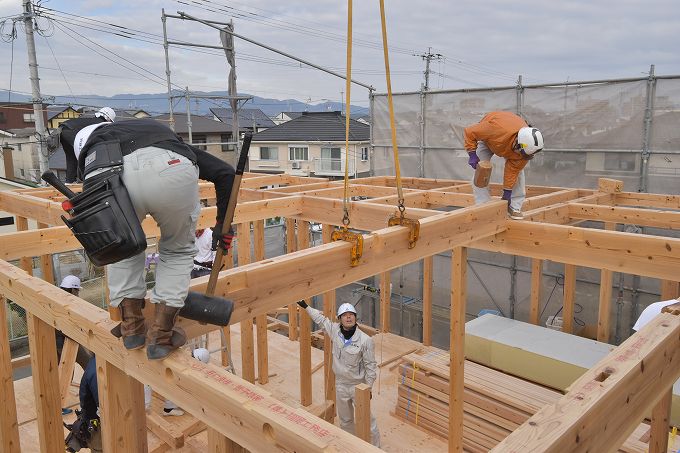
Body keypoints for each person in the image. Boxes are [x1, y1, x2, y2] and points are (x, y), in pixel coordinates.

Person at [60, 117, 236, 360]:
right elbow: (225, 173)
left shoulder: (91, 156)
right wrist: (222, 226)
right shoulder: (156, 132)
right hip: (170, 167)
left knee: (120, 247)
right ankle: (161, 336)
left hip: (105, 175)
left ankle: (131, 328)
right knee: (177, 250)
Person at [297, 300, 380, 446]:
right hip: (341, 384)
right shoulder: (335, 331)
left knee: (367, 419)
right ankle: (350, 446)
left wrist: (369, 388)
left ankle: (375, 447)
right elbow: (320, 319)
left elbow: (371, 367)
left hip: (358, 385)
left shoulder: (365, 340)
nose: (348, 317)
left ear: (355, 318)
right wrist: (306, 306)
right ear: (340, 319)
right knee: (345, 420)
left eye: (351, 315)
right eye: (345, 315)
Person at [463, 111, 544, 220]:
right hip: (488, 139)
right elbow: (469, 132)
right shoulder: (495, 128)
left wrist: (507, 192)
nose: (521, 156)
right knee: (480, 172)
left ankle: (515, 207)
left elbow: (512, 172)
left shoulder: (526, 151)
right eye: (521, 153)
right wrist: (472, 153)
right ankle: (483, 204)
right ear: (517, 143)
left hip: (506, 143)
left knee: (518, 174)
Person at [57, 275, 94, 415]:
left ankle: (58, 403)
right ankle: (97, 393)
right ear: (72, 290)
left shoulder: (57, 296)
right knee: (89, 364)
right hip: (67, 341)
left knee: (64, 371)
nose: (78, 294)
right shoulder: (67, 302)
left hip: (61, 341)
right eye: (77, 291)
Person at [144, 348, 212, 417]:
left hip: (162, 366)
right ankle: (146, 406)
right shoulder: (183, 361)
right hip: (157, 366)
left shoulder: (185, 356)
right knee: (148, 381)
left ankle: (168, 409)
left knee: (171, 383)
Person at [57, 107, 116, 183]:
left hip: (62, 130)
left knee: (71, 158)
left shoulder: (91, 121)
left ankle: (69, 182)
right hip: (72, 132)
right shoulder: (100, 125)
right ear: (108, 119)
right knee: (87, 157)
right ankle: (87, 181)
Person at [64, 356, 102, 452]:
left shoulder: (94, 364)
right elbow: (102, 408)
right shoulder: (98, 372)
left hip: (93, 418)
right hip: (97, 423)